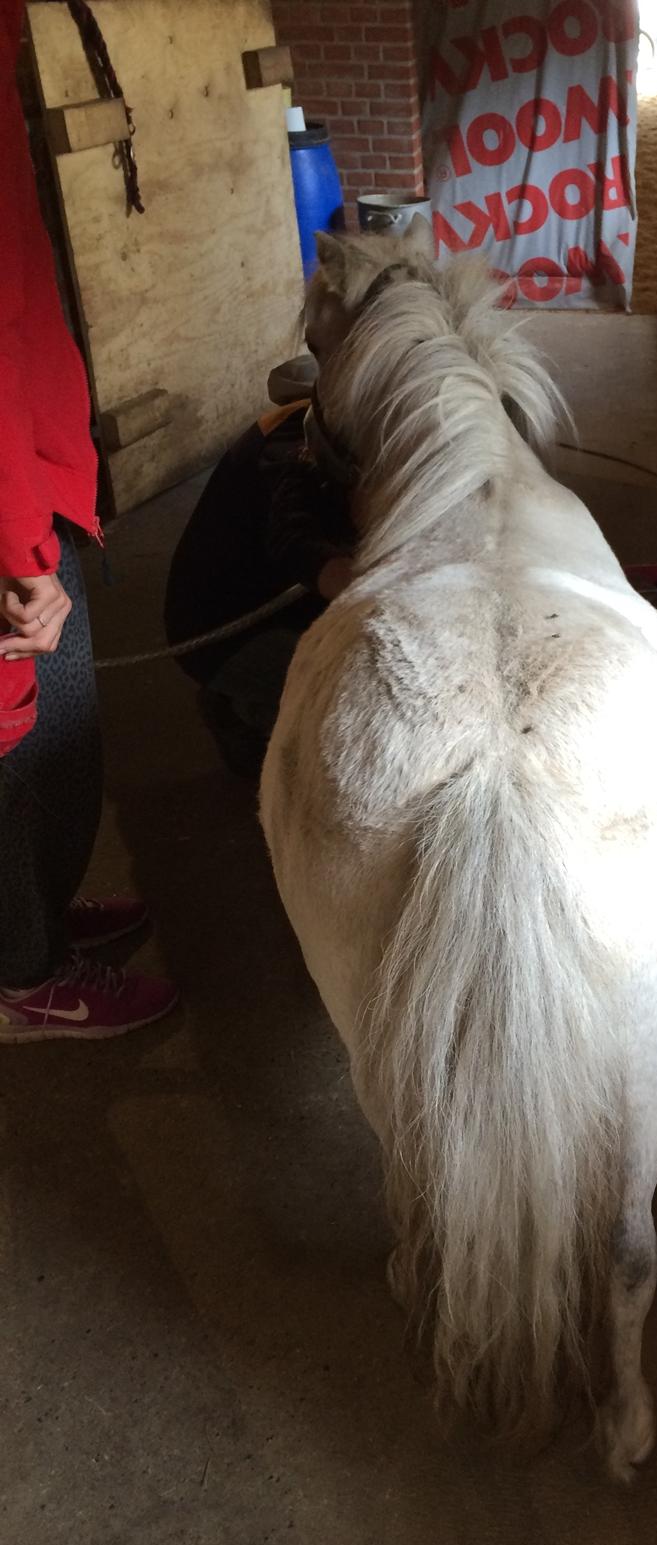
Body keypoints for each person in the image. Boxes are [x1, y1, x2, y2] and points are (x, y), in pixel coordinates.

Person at [1, 0, 176, 1041]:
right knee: (16, 744)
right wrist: (24, 551)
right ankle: (23, 974)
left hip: (36, 472)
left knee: (58, 737)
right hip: (11, 513)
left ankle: (41, 920)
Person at [163, 399, 354, 780]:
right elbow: (295, 542)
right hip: (221, 631)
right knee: (349, 693)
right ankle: (239, 712)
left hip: (274, 601)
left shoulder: (337, 424)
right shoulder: (291, 446)